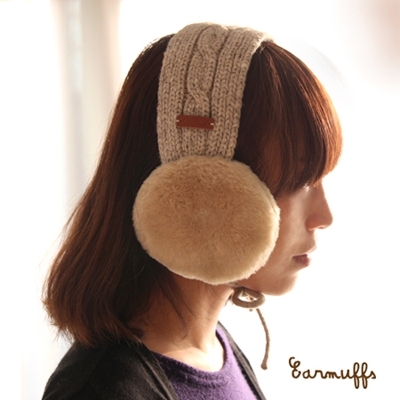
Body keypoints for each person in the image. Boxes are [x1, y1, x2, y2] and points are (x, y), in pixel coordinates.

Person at [41, 22, 342, 399]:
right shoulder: (103, 391)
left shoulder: (215, 350)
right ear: (199, 189)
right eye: (301, 180)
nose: (324, 217)